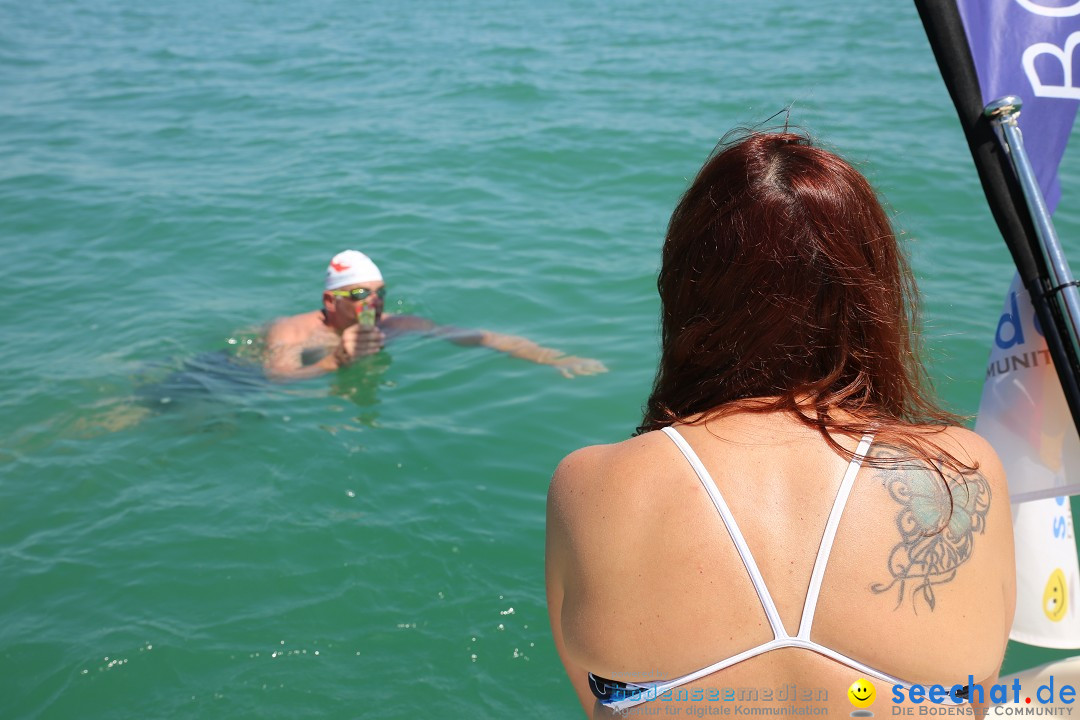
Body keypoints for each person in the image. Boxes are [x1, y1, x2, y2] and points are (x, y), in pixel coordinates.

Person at [545, 131, 1015, 717]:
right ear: (872, 289)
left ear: (688, 288)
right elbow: (977, 700)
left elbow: (596, 704)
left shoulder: (590, 485)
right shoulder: (961, 472)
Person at [263, 250, 607, 381]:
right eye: (359, 294)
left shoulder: (395, 327)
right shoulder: (292, 330)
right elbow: (276, 378)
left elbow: (484, 338)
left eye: (379, 292)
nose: (373, 302)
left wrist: (555, 359)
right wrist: (334, 363)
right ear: (329, 300)